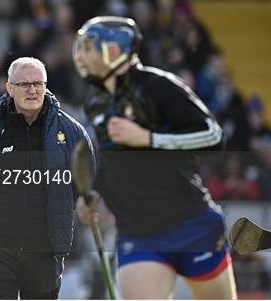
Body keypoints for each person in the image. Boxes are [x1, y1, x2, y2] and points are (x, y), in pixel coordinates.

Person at [72, 16, 237, 299]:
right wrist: (93, 192)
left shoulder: (158, 86)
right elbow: (111, 160)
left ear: (114, 50)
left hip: (191, 223)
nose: (79, 55)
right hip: (137, 233)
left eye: (88, 47)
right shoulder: (96, 101)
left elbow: (214, 137)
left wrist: (149, 139)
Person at [0, 57, 93, 299]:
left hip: (45, 247)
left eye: (38, 84)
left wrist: (59, 206)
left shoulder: (70, 130)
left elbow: (86, 178)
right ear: (10, 88)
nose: (32, 90)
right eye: (25, 84)